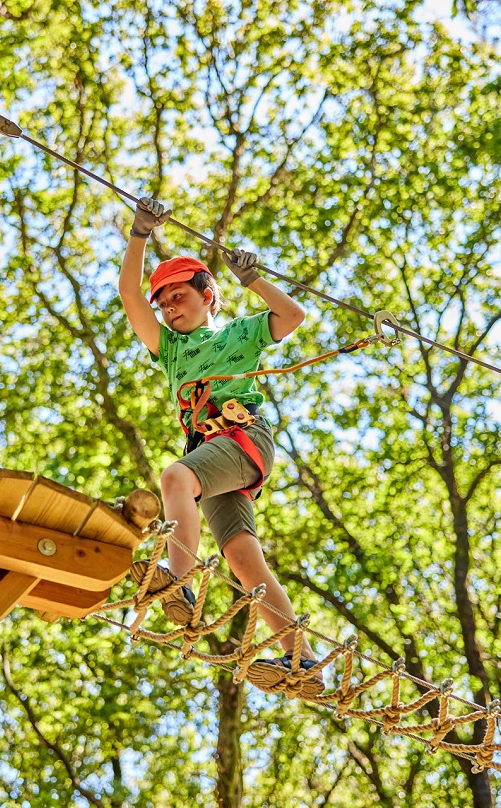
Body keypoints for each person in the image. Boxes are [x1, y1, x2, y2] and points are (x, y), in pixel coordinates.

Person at [117, 197, 322, 698]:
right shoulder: (168, 348)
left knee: (174, 478)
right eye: (163, 302)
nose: (168, 308)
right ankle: (303, 658)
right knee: (240, 555)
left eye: (179, 296)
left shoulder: (241, 333)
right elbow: (128, 295)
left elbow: (292, 314)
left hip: (241, 438)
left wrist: (253, 280)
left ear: (208, 295)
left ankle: (177, 581)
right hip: (213, 453)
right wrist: (139, 234)